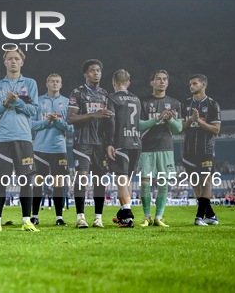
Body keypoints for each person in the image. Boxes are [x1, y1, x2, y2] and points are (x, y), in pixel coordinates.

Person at [0, 48, 38, 233]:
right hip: (2, 139)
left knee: (26, 181)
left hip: (23, 137)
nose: (13, 61)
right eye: (10, 59)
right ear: (5, 62)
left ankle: (26, 221)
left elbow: (35, 111)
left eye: (17, 59)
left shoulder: (30, 83)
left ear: (22, 62)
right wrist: (5, 104)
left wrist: (17, 102)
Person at [66, 59, 112, 228]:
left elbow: (109, 122)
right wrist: (93, 114)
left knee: (100, 180)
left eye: (98, 70)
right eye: (92, 71)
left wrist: (109, 143)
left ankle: (98, 218)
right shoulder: (77, 93)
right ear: (85, 74)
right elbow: (70, 118)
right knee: (82, 178)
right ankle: (80, 217)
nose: (96, 73)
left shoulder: (105, 95)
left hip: (100, 144)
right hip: (82, 142)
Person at [137, 70, 182, 227]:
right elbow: (139, 125)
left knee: (163, 183)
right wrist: (158, 117)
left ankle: (158, 217)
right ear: (152, 82)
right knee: (144, 183)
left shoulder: (174, 103)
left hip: (165, 147)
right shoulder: (143, 102)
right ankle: (147, 216)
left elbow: (179, 128)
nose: (162, 81)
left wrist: (170, 119)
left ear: (167, 83)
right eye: (158, 79)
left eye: (164, 79)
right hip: (146, 147)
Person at [30, 73, 73, 227]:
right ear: (46, 84)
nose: (55, 84)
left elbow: (72, 127)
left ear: (61, 85)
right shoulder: (38, 101)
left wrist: (58, 121)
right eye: (52, 81)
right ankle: (34, 216)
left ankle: (59, 218)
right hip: (40, 147)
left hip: (59, 148)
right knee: (37, 182)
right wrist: (46, 122)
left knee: (58, 183)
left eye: (58, 82)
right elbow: (31, 124)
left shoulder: (67, 102)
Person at [104, 69, 145, 228]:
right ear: (128, 83)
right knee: (126, 179)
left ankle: (127, 216)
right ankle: (123, 213)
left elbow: (111, 121)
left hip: (121, 142)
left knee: (121, 179)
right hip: (136, 142)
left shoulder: (112, 98)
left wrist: (109, 143)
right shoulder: (136, 99)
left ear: (113, 82)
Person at [180, 74, 221, 226]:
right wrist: (190, 120)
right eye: (190, 84)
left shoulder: (212, 104)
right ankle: (210, 215)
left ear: (203, 85)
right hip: (189, 150)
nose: (191, 86)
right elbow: (181, 127)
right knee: (196, 184)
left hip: (206, 149)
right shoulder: (185, 104)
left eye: (195, 84)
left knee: (206, 182)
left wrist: (199, 122)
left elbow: (216, 129)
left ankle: (199, 217)